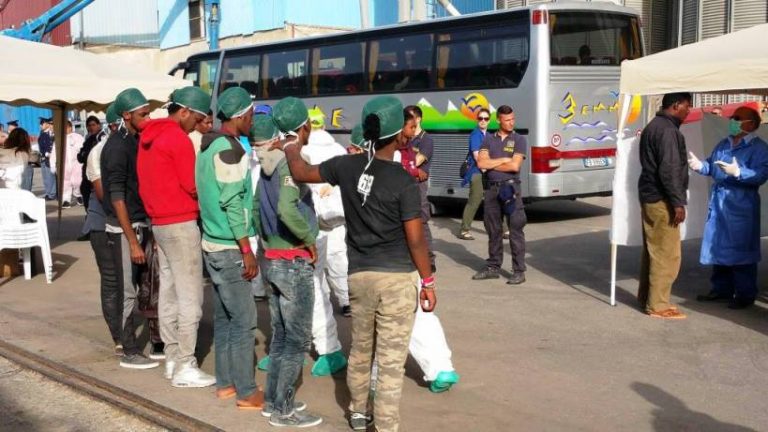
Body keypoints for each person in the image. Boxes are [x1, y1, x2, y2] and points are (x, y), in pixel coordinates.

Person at [277, 95, 436, 432]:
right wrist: (428, 281)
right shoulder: (404, 181)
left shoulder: (345, 166)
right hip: (397, 280)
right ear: (399, 136)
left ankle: (358, 412)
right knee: (390, 361)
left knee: (361, 349)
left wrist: (291, 145)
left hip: (360, 276)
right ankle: (386, 425)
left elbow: (301, 171)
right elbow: (416, 239)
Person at [137, 86, 216, 387]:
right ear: (183, 111)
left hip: (159, 223)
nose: (197, 125)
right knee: (190, 297)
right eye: (196, 118)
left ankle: (172, 358)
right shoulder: (177, 139)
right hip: (181, 223)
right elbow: (192, 185)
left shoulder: (148, 138)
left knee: (168, 292)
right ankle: (185, 364)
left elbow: (145, 184)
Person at [254, 97, 322, 428]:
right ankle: (284, 409)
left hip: (271, 256)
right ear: (302, 127)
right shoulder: (290, 163)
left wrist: (266, 242)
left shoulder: (267, 158)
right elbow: (286, 209)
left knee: (280, 335)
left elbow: (256, 210)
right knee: (297, 339)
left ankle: (272, 400)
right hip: (293, 260)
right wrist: (308, 239)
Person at [196, 86, 263, 409]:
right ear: (238, 117)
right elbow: (234, 203)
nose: (252, 120)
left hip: (211, 242)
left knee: (224, 318)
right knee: (244, 321)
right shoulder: (231, 151)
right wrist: (247, 250)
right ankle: (247, 391)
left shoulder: (208, 146)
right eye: (250, 115)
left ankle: (225, 384)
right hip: (229, 247)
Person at [101, 88, 160, 369]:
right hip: (124, 230)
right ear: (126, 115)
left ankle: (144, 343)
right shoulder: (117, 147)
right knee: (126, 291)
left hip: (141, 224)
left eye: (149, 112)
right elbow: (117, 197)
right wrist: (132, 241)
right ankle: (129, 349)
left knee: (142, 288)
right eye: (143, 114)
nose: (148, 118)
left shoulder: (137, 141)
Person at [688, 107, 768, 309]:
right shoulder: (724, 143)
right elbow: (712, 166)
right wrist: (700, 166)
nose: (732, 121)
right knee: (719, 246)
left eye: (737, 118)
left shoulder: (759, 148)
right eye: (732, 117)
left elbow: (761, 175)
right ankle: (721, 289)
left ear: (750, 123)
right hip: (720, 202)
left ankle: (745, 294)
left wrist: (739, 172)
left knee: (741, 251)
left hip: (741, 203)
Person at [302, 108, 350, 374]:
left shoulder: (302, 153)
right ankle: (346, 300)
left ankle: (327, 347)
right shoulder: (339, 150)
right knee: (339, 264)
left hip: (312, 226)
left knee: (315, 287)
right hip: (337, 222)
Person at [636, 92, 692, 320]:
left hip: (650, 195)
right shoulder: (668, 131)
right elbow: (668, 170)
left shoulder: (654, 126)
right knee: (667, 254)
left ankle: (648, 298)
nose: (689, 111)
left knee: (653, 251)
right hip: (662, 199)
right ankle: (658, 305)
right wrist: (677, 202)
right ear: (676, 105)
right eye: (687, 106)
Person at [82, 104, 125, 355]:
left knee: (129, 281)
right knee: (111, 279)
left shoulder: (131, 147)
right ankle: (118, 336)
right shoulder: (98, 153)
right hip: (102, 223)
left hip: (128, 222)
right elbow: (103, 195)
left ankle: (128, 327)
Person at [471, 105, 528, 285]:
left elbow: (514, 166)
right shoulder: (488, 139)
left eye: (513, 119)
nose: (511, 123)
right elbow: (481, 163)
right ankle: (493, 267)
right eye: (507, 120)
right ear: (498, 121)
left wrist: (492, 164)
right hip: (491, 189)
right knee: (493, 230)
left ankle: (519, 271)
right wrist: (503, 159)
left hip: (511, 189)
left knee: (515, 230)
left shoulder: (519, 139)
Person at [403, 105, 436, 272]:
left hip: (419, 186)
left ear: (418, 119)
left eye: (410, 117)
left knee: (422, 220)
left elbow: (417, 160)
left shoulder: (425, 140)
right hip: (405, 184)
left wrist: (409, 165)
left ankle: (429, 258)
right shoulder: (405, 138)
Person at [458, 108, 491, 240]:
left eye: (486, 118)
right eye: (480, 118)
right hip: (477, 172)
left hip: (487, 171)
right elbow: (477, 157)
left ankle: (502, 230)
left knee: (494, 201)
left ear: (489, 121)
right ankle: (464, 230)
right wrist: (488, 170)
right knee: (474, 200)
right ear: (477, 120)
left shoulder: (489, 136)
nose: (483, 121)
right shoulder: (475, 135)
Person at [78, 116, 107, 210]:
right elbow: (80, 157)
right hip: (87, 178)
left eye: (93, 125)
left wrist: (85, 155)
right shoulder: (89, 139)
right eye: (89, 125)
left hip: (97, 177)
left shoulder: (102, 138)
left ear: (99, 125)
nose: (91, 127)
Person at [61, 120, 85, 208]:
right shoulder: (60, 138)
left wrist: (75, 145)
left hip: (76, 164)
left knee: (78, 181)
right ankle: (66, 200)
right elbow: (55, 152)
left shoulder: (78, 137)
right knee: (65, 183)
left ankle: (78, 195)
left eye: (66, 127)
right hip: (65, 164)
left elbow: (82, 148)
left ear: (70, 127)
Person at [38, 117, 57, 200]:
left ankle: (54, 194)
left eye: (53, 124)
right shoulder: (44, 134)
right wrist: (46, 153)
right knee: (48, 177)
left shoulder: (57, 134)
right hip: (47, 158)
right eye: (51, 124)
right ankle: (50, 193)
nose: (51, 126)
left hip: (56, 158)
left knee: (55, 177)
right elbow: (42, 146)